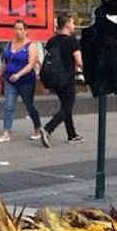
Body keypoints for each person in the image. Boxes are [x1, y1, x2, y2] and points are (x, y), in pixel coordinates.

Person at [0, 20, 42, 143]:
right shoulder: (10, 44)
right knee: (8, 106)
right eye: (16, 29)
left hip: (26, 81)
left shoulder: (31, 45)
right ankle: (6, 132)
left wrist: (19, 74)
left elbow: (31, 64)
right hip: (10, 80)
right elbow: (5, 62)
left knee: (29, 105)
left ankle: (38, 128)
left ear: (26, 31)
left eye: (21, 29)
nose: (18, 32)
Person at [41, 13, 83, 147]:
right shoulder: (72, 41)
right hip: (67, 78)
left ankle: (72, 135)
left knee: (66, 106)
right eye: (72, 22)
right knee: (67, 107)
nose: (74, 25)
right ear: (67, 24)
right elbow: (79, 61)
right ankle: (48, 128)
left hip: (53, 78)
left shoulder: (52, 41)